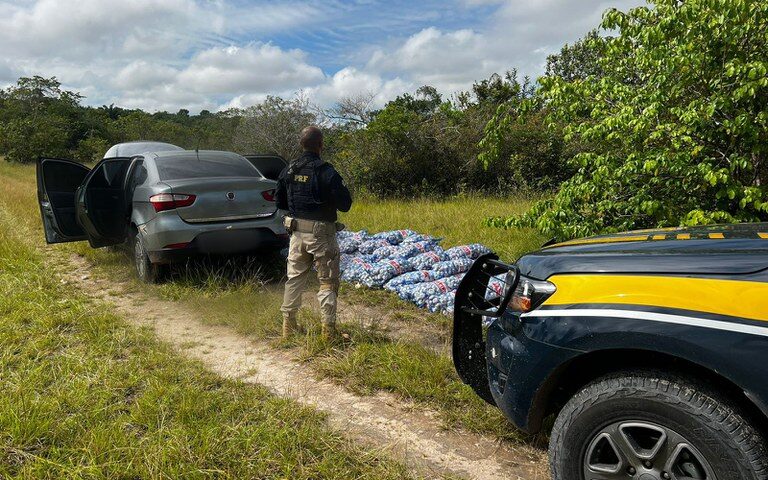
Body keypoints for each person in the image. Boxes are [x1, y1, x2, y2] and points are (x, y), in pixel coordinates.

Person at [275, 125, 352, 339]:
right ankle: (328, 332)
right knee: (327, 281)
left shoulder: (289, 170)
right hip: (321, 235)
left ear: (301, 144)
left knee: (294, 279)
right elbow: (345, 204)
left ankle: (288, 327)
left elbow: (279, 201)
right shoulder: (326, 171)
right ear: (321, 144)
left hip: (296, 233)